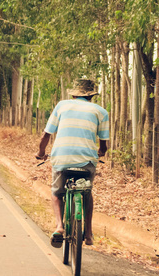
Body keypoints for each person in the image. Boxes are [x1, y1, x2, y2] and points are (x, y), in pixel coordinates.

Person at [35, 79, 109, 247]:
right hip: (87, 160)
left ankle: (59, 226)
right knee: (87, 193)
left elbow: (46, 135)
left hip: (62, 157)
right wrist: (102, 152)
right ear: (91, 95)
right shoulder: (101, 112)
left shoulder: (62, 106)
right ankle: (89, 233)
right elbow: (104, 143)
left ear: (74, 94)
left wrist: (41, 152)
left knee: (56, 193)